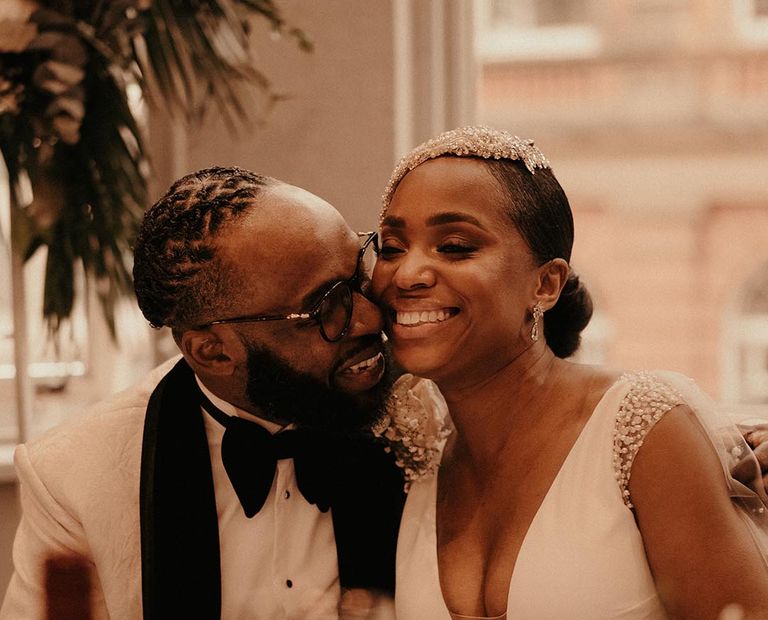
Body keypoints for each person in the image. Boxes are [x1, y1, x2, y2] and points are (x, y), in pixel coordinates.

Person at [370, 126, 768, 619]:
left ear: (546, 284)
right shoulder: (412, 451)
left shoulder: (643, 430)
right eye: (390, 247)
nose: (407, 274)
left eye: (454, 246)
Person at [0, 167, 405, 620]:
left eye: (359, 272)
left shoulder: (434, 413)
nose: (370, 319)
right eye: (324, 307)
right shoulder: (73, 480)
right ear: (212, 352)